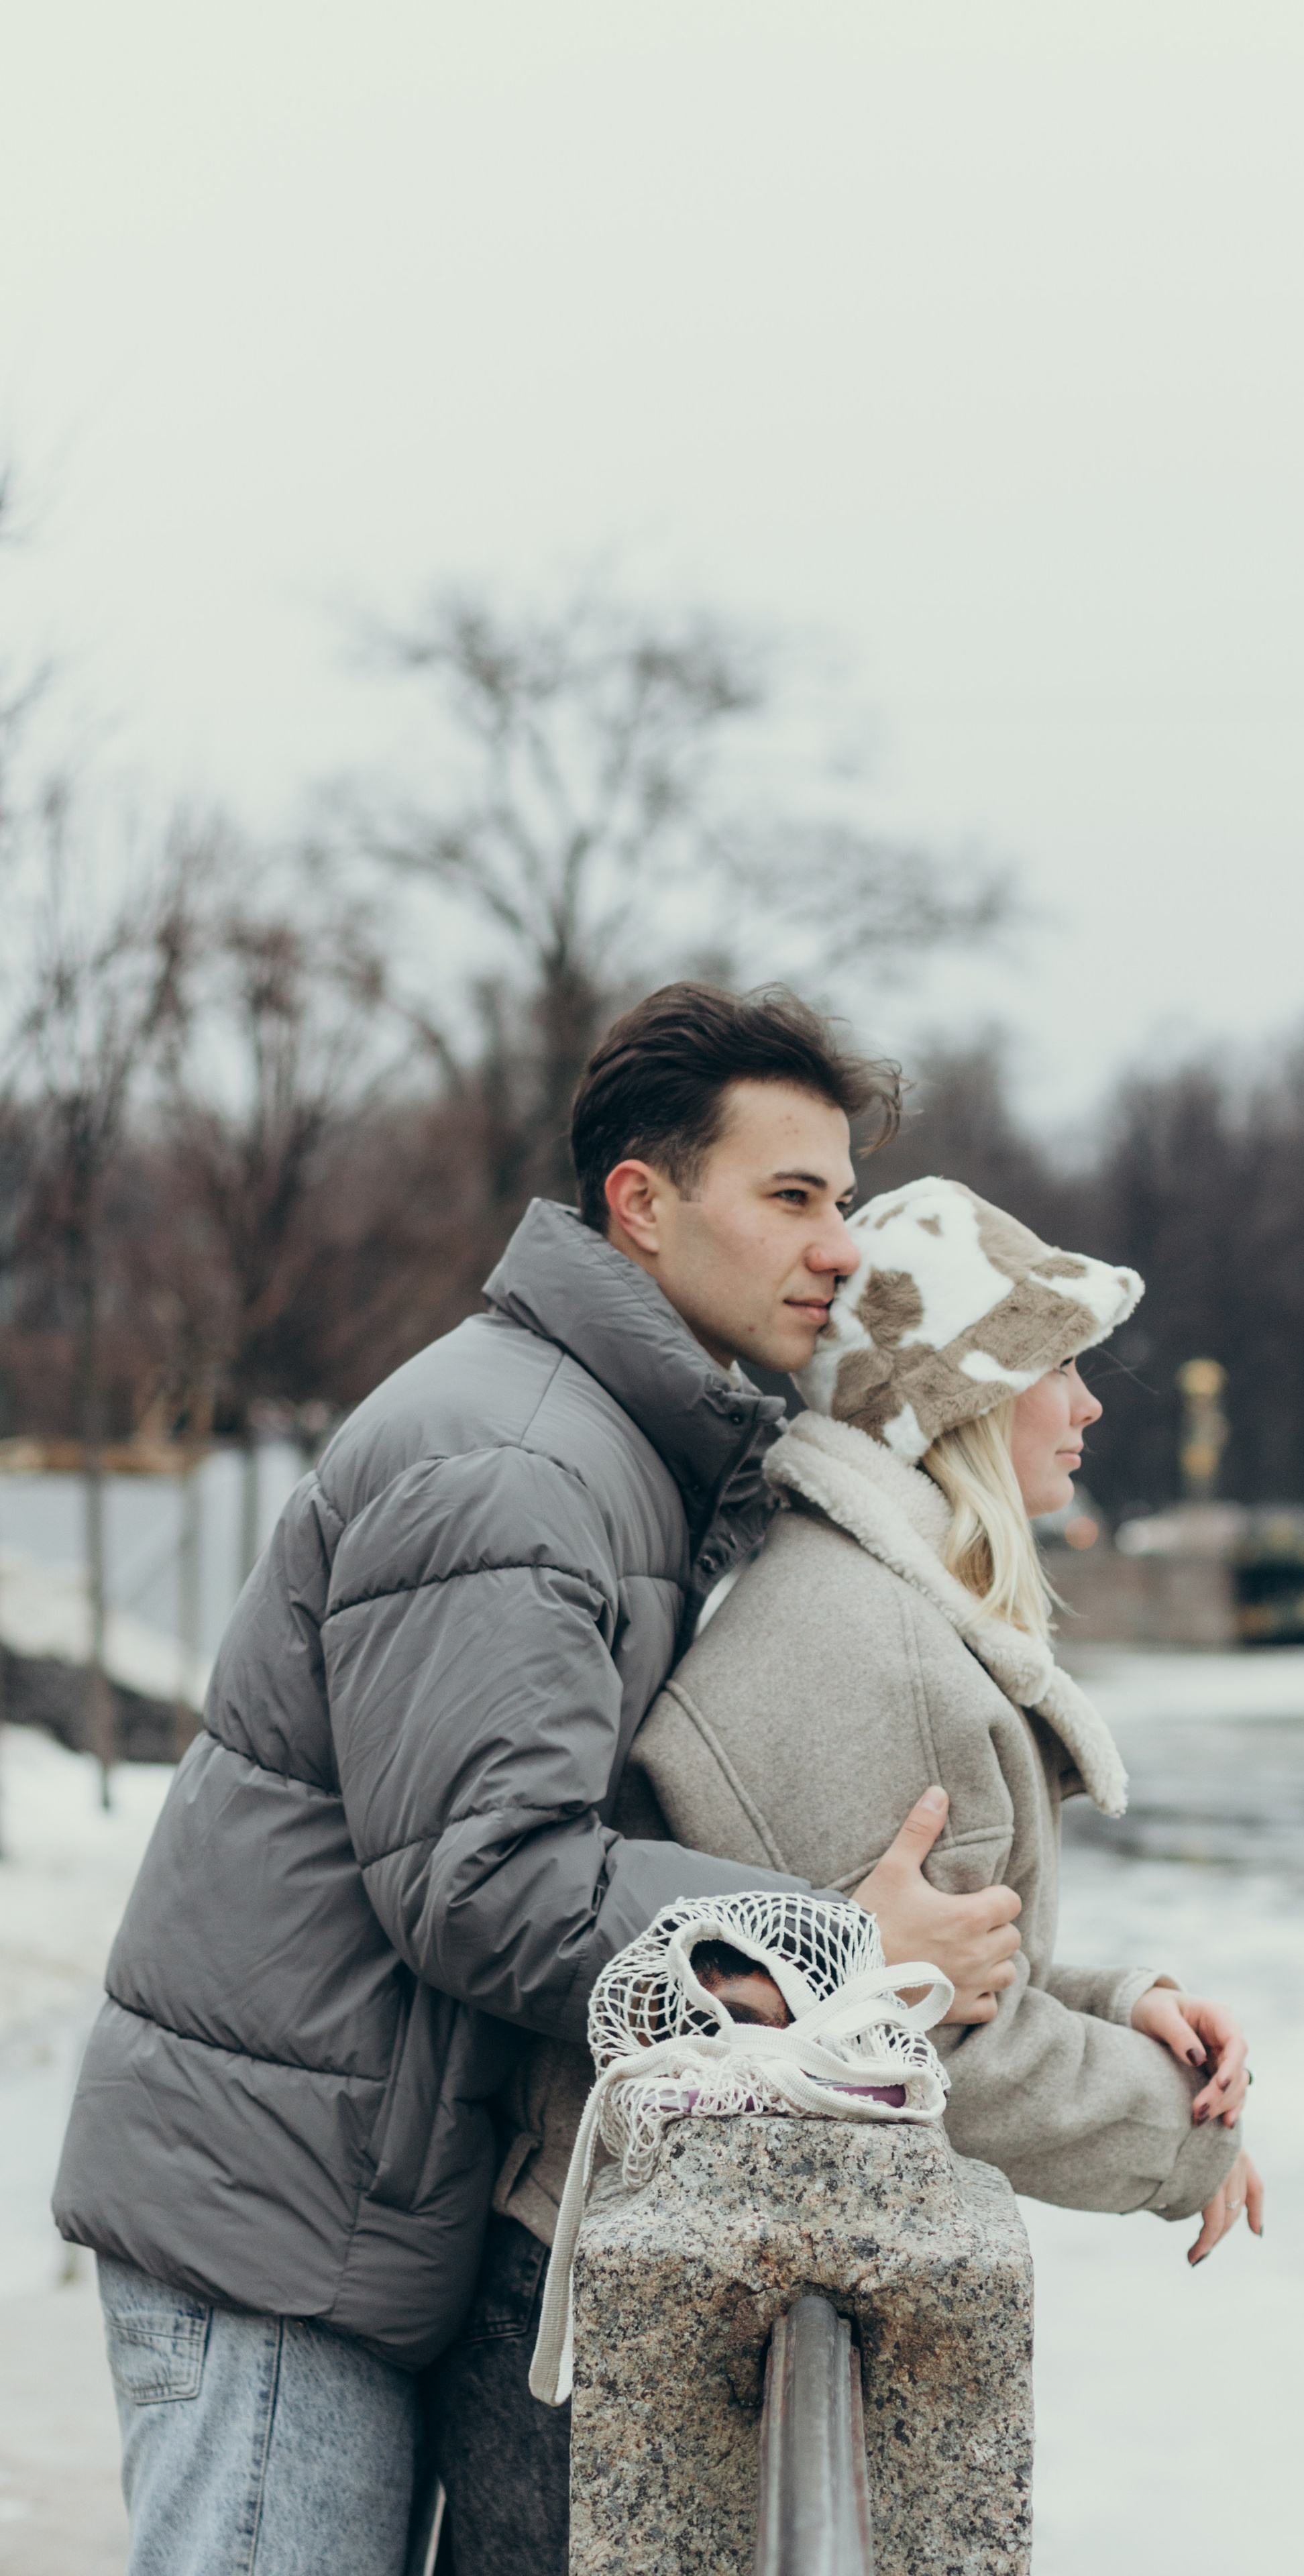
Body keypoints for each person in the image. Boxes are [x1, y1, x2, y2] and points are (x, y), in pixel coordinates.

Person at [53, 985, 1024, 2576]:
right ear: (641, 1205)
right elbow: (488, 1881)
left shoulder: (599, 1440)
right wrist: (836, 1945)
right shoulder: (515, 1465)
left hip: (330, 2198)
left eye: (840, 1201)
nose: (839, 1249)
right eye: (791, 1197)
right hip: (278, 2221)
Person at [461, 1175, 1263, 2573]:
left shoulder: (856, 1594)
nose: (1087, 1407)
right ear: (957, 1401)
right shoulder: (883, 1654)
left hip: (597, 2282)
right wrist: (1185, 2135)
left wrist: (1122, 1998)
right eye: (1056, 1367)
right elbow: (927, 2049)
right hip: (609, 2348)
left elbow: (906, 1959)